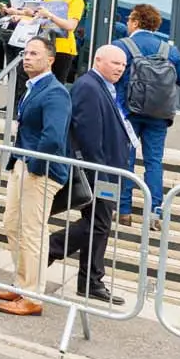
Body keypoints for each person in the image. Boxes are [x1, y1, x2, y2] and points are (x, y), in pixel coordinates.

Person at [46, 45, 133, 305]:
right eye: (115, 63)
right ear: (98, 60)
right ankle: (50, 249)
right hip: (100, 171)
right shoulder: (89, 86)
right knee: (99, 224)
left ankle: (91, 280)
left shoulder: (104, 86)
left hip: (109, 169)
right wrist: (100, 170)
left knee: (99, 225)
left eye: (123, 65)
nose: (120, 68)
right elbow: (87, 134)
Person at [0, 35, 70, 316]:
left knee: (33, 232)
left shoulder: (55, 92)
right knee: (12, 224)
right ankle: (21, 283)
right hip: (23, 164)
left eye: (34, 54)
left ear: (50, 60)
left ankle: (33, 296)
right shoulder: (32, 87)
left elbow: (52, 137)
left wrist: (33, 167)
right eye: (25, 53)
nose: (26, 57)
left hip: (40, 171)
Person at [115, 3, 180, 227]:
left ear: (137, 22)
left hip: (127, 112)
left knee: (126, 160)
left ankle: (124, 211)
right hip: (159, 115)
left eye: (130, 20)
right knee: (153, 162)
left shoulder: (122, 46)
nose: (128, 24)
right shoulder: (170, 50)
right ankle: (155, 214)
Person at [38, 0, 86, 83]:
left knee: (56, 84)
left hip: (63, 48)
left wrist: (50, 15)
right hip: (46, 44)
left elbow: (71, 26)